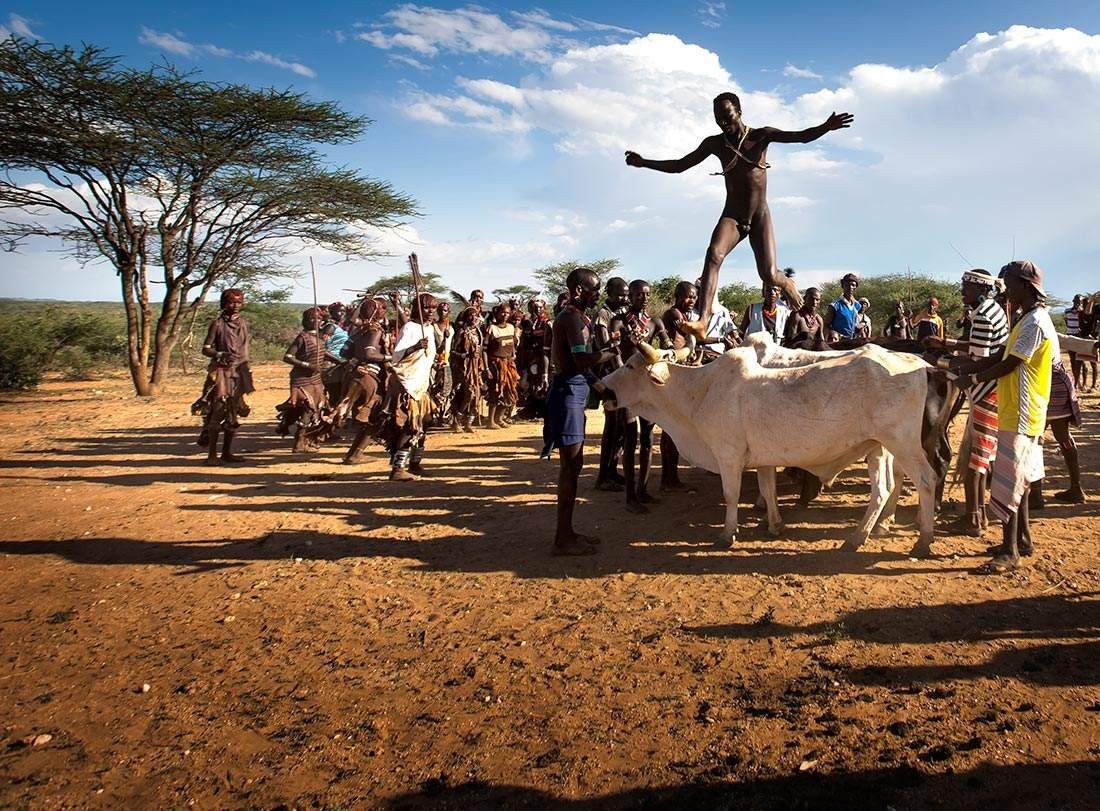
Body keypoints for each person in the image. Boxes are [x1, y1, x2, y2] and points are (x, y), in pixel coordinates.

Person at [625, 93, 853, 326]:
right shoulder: (715, 144)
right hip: (732, 215)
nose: (723, 122)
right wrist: (644, 162)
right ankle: (703, 321)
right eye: (717, 118)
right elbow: (679, 166)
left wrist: (826, 126)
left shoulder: (761, 136)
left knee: (769, 275)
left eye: (727, 116)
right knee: (713, 255)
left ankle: (786, 282)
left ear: (740, 112)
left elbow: (801, 137)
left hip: (759, 216)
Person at [953, 261, 1055, 573]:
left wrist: (970, 381)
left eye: (1010, 283)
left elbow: (1009, 363)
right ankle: (1022, 540)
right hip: (1017, 409)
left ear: (1026, 286)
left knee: (1009, 481)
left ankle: (1009, 552)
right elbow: (998, 356)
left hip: (1022, 412)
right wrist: (965, 368)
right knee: (1020, 481)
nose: (1005, 289)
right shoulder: (1024, 320)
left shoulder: (1035, 323)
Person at [924, 268, 1009, 535]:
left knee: (977, 459)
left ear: (982, 290)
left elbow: (978, 363)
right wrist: (945, 342)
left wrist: (937, 362)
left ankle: (973, 519)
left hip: (986, 393)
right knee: (984, 456)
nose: (962, 292)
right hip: (992, 391)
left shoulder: (983, 316)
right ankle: (979, 514)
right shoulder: (993, 310)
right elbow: (976, 348)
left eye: (966, 288)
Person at [542, 266, 620, 555]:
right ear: (578, 291)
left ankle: (568, 532)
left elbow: (584, 370)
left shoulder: (578, 318)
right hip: (567, 396)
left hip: (575, 392)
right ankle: (562, 539)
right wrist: (614, 349)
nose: (597, 294)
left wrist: (603, 389)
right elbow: (581, 361)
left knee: (573, 467)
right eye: (594, 289)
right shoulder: (571, 319)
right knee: (570, 467)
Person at [660, 280, 734, 488]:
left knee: (674, 427)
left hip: (681, 371)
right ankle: (668, 478)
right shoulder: (675, 315)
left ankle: (671, 477)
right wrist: (720, 339)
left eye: (694, 297)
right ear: (677, 296)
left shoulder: (683, 315)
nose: (692, 300)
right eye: (688, 296)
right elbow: (697, 337)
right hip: (672, 372)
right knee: (670, 428)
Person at [609, 280, 672, 513]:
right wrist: (622, 378)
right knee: (629, 438)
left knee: (647, 438)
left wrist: (670, 346)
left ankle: (643, 489)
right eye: (638, 294)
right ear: (630, 296)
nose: (643, 298)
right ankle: (629, 497)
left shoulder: (655, 321)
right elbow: (614, 352)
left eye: (647, 294)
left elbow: (665, 344)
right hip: (627, 385)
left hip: (647, 386)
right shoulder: (619, 322)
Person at [377, 293, 438, 480]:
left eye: (433, 308)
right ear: (417, 309)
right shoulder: (410, 328)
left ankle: (415, 463)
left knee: (424, 425)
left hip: (421, 384)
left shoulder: (429, 328)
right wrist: (415, 347)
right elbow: (396, 357)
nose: (430, 311)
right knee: (409, 427)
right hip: (406, 385)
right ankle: (397, 469)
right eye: (426, 307)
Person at [192, 288, 254, 465]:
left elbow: (244, 349)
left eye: (239, 302)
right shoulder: (217, 324)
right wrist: (219, 354)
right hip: (220, 372)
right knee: (217, 412)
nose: (235, 306)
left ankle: (227, 452)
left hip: (238, 373)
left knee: (232, 414)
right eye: (231, 302)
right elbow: (206, 348)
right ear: (224, 303)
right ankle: (212, 455)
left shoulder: (243, 323)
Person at [278, 307, 335, 453]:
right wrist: (308, 365)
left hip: (315, 378)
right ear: (305, 321)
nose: (316, 321)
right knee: (307, 409)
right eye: (312, 318)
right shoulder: (302, 338)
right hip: (301, 379)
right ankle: (298, 443)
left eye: (319, 319)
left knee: (317, 409)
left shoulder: (319, 337)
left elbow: (324, 353)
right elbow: (288, 357)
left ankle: (308, 440)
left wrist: (342, 362)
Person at [340, 298, 390, 465]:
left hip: (354, 376)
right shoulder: (375, 331)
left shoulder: (358, 331)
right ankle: (355, 455)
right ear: (377, 312)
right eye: (383, 308)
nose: (385, 311)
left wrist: (356, 359)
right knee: (375, 417)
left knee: (368, 418)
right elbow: (369, 354)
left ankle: (353, 454)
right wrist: (389, 357)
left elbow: (344, 352)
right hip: (370, 378)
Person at [593, 277, 629, 492]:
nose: (623, 298)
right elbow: (604, 344)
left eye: (625, 294)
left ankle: (612, 472)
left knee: (620, 429)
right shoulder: (604, 315)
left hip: (620, 374)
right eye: (619, 294)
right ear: (609, 293)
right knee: (612, 426)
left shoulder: (621, 314)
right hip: (610, 377)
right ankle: (603, 476)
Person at [485, 303, 521, 429]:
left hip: (508, 363)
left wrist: (513, 355)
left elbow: (512, 345)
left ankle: (499, 418)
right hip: (495, 363)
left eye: (507, 312)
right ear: (497, 313)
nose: (505, 315)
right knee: (495, 391)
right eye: (502, 312)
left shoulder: (511, 327)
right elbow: (484, 349)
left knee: (510, 391)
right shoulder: (492, 329)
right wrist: (486, 368)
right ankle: (490, 421)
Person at [449, 305, 484, 433]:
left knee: (476, 394)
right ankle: (457, 420)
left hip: (476, 367)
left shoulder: (479, 332)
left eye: (475, 315)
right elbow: (452, 351)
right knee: (467, 393)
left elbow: (481, 350)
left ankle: (468, 422)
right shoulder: (461, 332)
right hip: (463, 368)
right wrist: (464, 355)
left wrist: (482, 367)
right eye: (470, 315)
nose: (473, 318)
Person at [824, 273, 863, 342]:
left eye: (853, 285)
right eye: (847, 284)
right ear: (843, 286)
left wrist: (859, 328)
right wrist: (836, 336)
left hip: (853, 342)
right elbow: (826, 326)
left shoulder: (857, 305)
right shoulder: (835, 305)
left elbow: (855, 325)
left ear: (855, 287)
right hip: (838, 344)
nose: (850, 287)